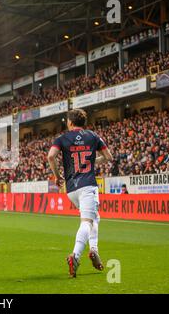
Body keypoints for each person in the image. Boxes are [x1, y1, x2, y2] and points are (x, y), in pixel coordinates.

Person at [47, 109, 113, 278]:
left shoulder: (62, 138)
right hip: (88, 186)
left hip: (71, 188)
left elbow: (51, 157)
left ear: (70, 122)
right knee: (87, 221)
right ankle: (75, 256)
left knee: (94, 218)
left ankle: (94, 250)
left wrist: (57, 176)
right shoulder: (93, 136)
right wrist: (91, 160)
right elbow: (109, 157)